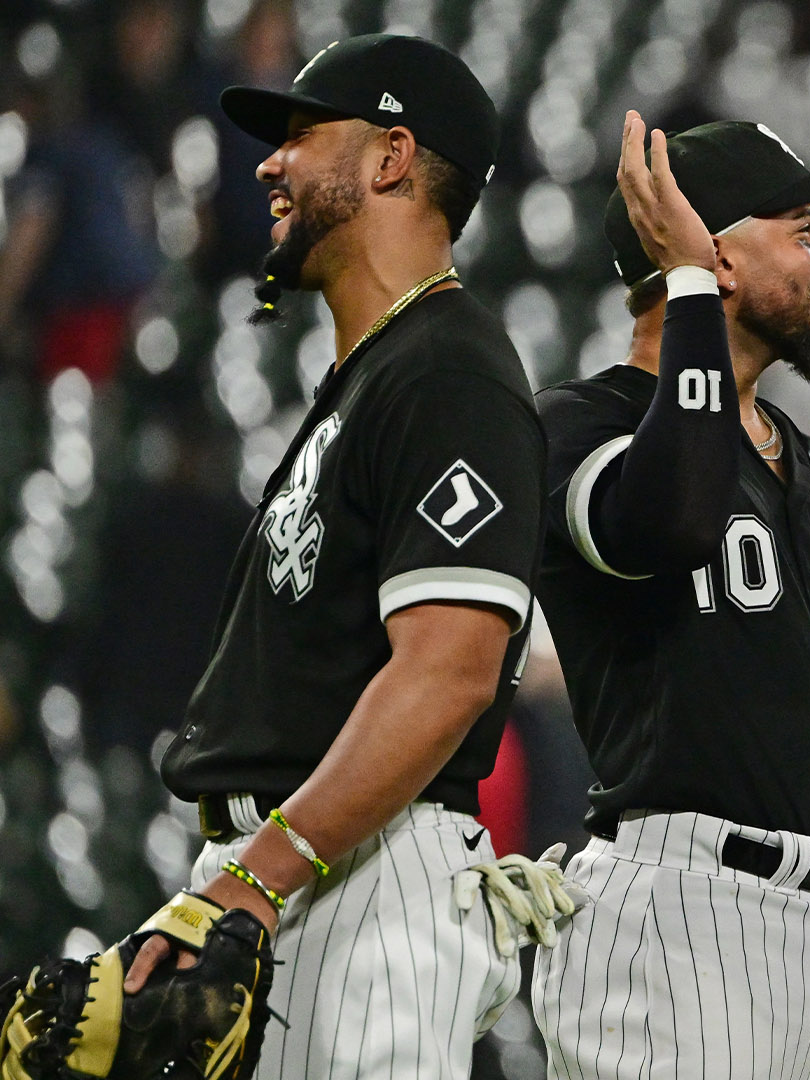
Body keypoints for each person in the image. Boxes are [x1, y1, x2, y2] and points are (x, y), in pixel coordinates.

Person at [139, 33, 547, 1079]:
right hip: (301, 875)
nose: (272, 163)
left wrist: (257, 877)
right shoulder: (379, 376)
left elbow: (448, 672)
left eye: (302, 135)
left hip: (362, 884)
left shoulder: (450, 368)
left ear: (391, 158)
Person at [529, 114, 810, 1080]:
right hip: (678, 920)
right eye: (802, 228)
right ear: (709, 254)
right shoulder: (577, 424)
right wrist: (685, 295)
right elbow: (675, 515)